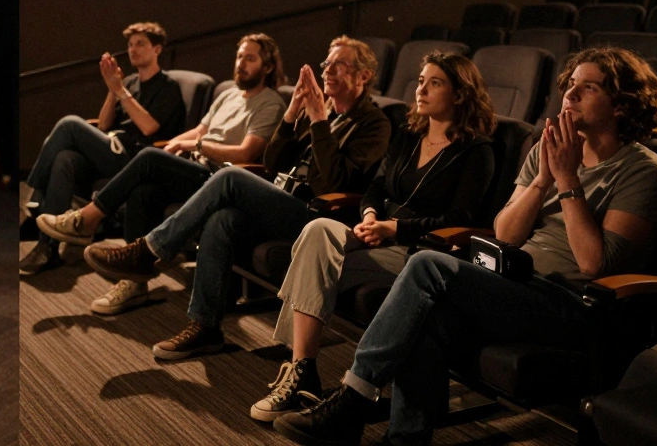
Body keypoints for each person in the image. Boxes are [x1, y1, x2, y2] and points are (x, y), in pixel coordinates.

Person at [274, 46, 657, 446]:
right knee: (426, 318)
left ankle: (354, 398)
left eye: (588, 88)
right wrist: (542, 181)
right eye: (570, 85)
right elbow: (506, 235)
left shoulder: (643, 171)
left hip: (572, 304)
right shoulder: (546, 149)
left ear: (621, 105)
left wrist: (568, 181)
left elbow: (595, 265)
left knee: (428, 265)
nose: (570, 95)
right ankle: (405, 439)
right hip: (517, 280)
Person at [84, 36, 391, 360]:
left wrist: (318, 121)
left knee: (228, 176)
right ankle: (206, 327)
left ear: (363, 76)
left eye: (339, 65)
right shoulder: (321, 108)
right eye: (327, 64)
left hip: (319, 219)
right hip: (284, 199)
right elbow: (272, 163)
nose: (328, 71)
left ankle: (148, 250)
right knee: (223, 220)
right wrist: (291, 115)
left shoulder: (374, 123)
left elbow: (333, 183)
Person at [250, 52, 496, 422]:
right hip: (375, 231)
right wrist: (369, 216)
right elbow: (375, 188)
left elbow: (460, 218)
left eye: (435, 82)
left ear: (460, 94)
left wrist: (393, 228)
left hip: (417, 250)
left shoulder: (477, 151)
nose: (421, 89)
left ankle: (304, 373)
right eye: (419, 80)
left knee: (311, 261)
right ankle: (304, 369)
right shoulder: (409, 134)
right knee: (317, 230)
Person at [34, 33, 286, 314]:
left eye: (250, 58)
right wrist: (175, 144)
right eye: (239, 56)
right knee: (143, 192)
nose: (241, 63)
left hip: (220, 178)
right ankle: (134, 283)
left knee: (149, 157)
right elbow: (199, 131)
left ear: (267, 67)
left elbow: (245, 153)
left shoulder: (270, 103)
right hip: (194, 167)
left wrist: (189, 145)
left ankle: (88, 220)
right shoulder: (228, 94)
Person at [19, 22, 187, 276]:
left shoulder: (169, 87)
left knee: (69, 124)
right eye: (130, 45)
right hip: (110, 148)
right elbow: (105, 124)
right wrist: (112, 89)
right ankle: (47, 248)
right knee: (65, 158)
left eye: (140, 43)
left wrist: (120, 91)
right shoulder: (127, 82)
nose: (133, 49)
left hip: (136, 160)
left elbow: (149, 127)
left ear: (157, 49)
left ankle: (33, 194)